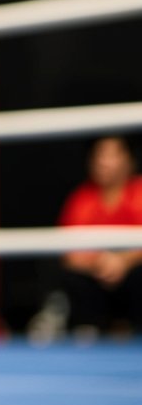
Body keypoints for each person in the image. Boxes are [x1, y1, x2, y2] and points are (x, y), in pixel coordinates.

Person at [58, 135, 142, 337]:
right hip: (95, 279)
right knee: (68, 275)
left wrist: (123, 261)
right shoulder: (81, 199)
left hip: (133, 275)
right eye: (99, 155)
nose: (104, 162)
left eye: (112, 154)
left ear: (129, 160)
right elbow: (68, 253)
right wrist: (100, 262)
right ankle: (84, 327)